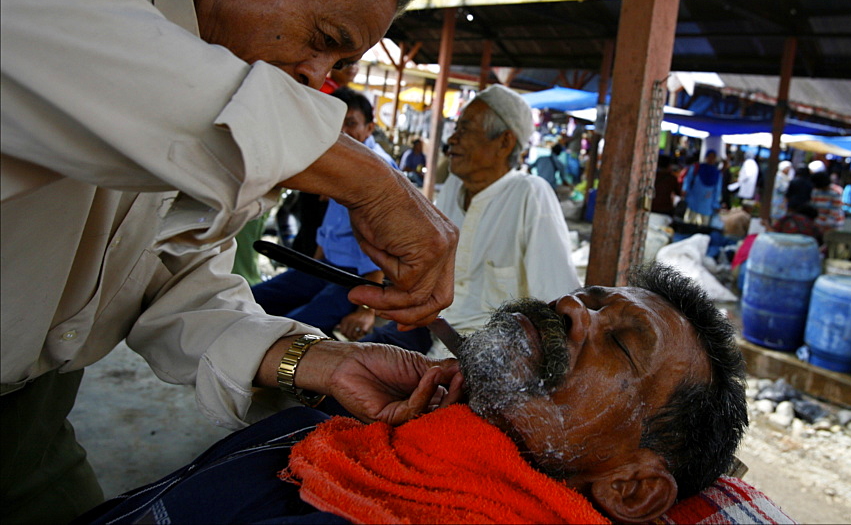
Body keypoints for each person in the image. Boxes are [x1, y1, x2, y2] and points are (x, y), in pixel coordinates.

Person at [1, 0, 461, 523]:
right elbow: (150, 91)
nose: (313, 77)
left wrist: (322, 360)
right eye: (322, 35)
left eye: (335, 64)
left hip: (30, 424)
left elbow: (182, 293)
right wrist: (375, 181)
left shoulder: (230, 125)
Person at [79, 263, 780, 525]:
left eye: (622, 345)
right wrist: (322, 361)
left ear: (629, 489)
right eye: (589, 294)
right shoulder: (358, 441)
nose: (572, 306)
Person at [251, 88, 430, 353]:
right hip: (325, 267)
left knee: (292, 331)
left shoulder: (377, 168)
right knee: (253, 299)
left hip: (358, 278)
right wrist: (309, 268)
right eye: (335, 122)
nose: (342, 131)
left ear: (369, 128)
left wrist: (366, 310)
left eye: (351, 123)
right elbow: (329, 229)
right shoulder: (340, 159)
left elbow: (384, 248)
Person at [435, 85, 580, 356]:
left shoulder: (530, 195)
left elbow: (557, 301)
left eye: (464, 130)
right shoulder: (454, 186)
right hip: (431, 328)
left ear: (504, 142)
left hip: (488, 354)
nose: (452, 139)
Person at [681, 149, 723, 226]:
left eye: (713, 157)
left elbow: (717, 190)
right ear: (706, 157)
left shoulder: (717, 173)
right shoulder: (697, 168)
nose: (711, 159)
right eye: (709, 156)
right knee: (688, 225)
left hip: (707, 205)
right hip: (693, 201)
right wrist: (685, 190)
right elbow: (687, 180)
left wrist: (716, 204)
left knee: (702, 228)